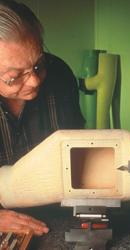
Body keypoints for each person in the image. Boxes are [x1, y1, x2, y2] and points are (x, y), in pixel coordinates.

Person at [0, 0, 84, 235]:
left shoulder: (58, 73)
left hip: (59, 214)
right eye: (14, 77)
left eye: (37, 65)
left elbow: (76, 151)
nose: (35, 81)